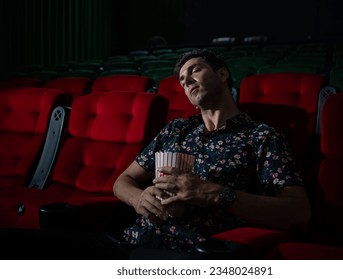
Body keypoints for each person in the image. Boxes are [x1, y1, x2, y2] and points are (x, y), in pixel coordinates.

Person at [113, 49, 311, 258]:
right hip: (134, 238)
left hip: (193, 250)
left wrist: (215, 194)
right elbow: (122, 181)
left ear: (222, 74)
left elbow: (298, 213)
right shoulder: (175, 129)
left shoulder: (262, 137)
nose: (187, 81)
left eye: (194, 70)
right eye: (181, 81)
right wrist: (138, 198)